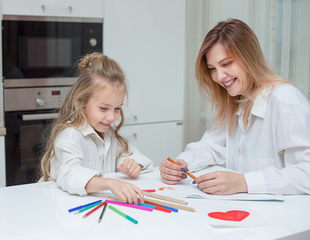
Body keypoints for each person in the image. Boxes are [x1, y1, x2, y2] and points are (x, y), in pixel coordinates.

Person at [160, 18, 310, 195]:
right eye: (212, 68)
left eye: (226, 64)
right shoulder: (237, 103)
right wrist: (180, 164)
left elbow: (306, 174)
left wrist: (243, 182)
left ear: (249, 57)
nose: (219, 76)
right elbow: (209, 146)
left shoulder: (286, 100)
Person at [40, 52, 153, 204]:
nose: (111, 117)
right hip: (65, 210)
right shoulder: (70, 135)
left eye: (117, 109)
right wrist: (110, 183)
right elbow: (70, 175)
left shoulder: (108, 135)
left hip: (95, 206)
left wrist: (132, 163)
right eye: (104, 108)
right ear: (82, 102)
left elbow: (135, 156)